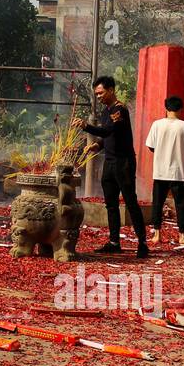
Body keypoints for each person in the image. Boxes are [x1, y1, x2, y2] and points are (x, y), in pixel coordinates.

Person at [72, 76, 148, 258]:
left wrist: (86, 126)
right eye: (96, 94)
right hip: (110, 162)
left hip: (124, 163)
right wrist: (97, 145)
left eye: (101, 93)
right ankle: (114, 242)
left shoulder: (120, 110)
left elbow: (108, 131)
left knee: (130, 202)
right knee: (110, 204)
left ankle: (142, 242)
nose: (98, 97)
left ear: (111, 90)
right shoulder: (106, 112)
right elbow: (107, 137)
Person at [145, 96, 184, 242]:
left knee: (157, 203)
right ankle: (182, 235)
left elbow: (151, 146)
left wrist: (163, 152)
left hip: (160, 171)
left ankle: (156, 234)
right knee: (181, 204)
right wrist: (178, 153)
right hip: (178, 172)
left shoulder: (157, 125)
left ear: (166, 108)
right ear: (181, 109)